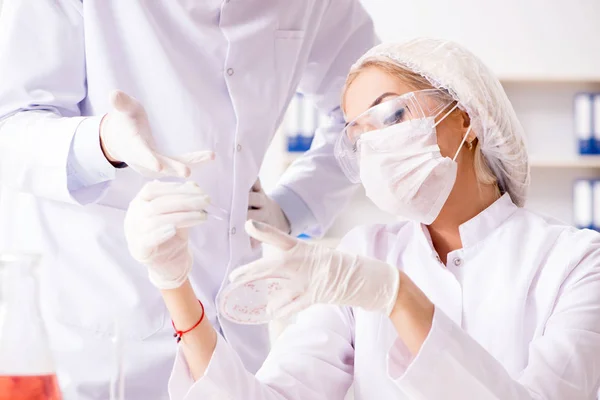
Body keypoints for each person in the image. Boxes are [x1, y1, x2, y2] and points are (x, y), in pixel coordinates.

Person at [124, 38, 600, 399]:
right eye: (359, 135)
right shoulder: (365, 255)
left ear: (467, 118)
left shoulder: (576, 264)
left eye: (391, 115)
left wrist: (396, 296)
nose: (375, 145)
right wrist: (174, 285)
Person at [0, 1, 375, 398]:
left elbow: (374, 110)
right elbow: (12, 124)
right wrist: (102, 142)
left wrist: (296, 203)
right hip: (103, 327)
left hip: (236, 334)